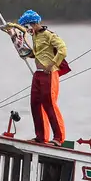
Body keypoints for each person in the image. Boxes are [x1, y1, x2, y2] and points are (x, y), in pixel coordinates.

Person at [18, 10, 67, 145]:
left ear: (33, 24)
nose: (27, 30)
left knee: (49, 104)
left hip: (49, 73)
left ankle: (58, 137)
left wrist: (52, 64)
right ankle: (41, 136)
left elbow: (62, 49)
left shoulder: (49, 35)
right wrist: (22, 48)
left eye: (27, 26)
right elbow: (36, 54)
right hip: (38, 73)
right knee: (35, 104)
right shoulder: (35, 36)